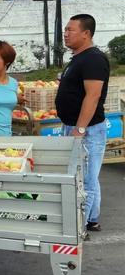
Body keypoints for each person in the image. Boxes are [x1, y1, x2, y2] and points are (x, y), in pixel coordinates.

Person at [55, 14, 109, 232]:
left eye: (70, 30)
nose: (65, 34)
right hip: (74, 125)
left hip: (87, 130)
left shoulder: (94, 59)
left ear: (86, 33)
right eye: (65, 30)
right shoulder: (78, 58)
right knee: (89, 175)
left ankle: (78, 228)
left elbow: (93, 96)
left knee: (84, 180)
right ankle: (91, 218)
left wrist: (80, 128)